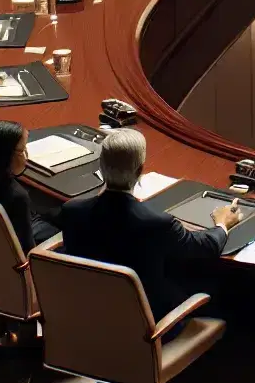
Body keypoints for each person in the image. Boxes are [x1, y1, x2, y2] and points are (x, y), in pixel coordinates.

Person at [57, 129, 241, 339]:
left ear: (101, 166)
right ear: (140, 170)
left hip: (87, 319)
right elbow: (205, 246)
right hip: (147, 331)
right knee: (213, 289)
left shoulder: (72, 211)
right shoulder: (157, 224)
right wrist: (223, 223)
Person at [0, 121, 61, 251]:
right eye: (22, 150)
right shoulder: (17, 197)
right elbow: (27, 250)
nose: (27, 157)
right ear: (5, 156)